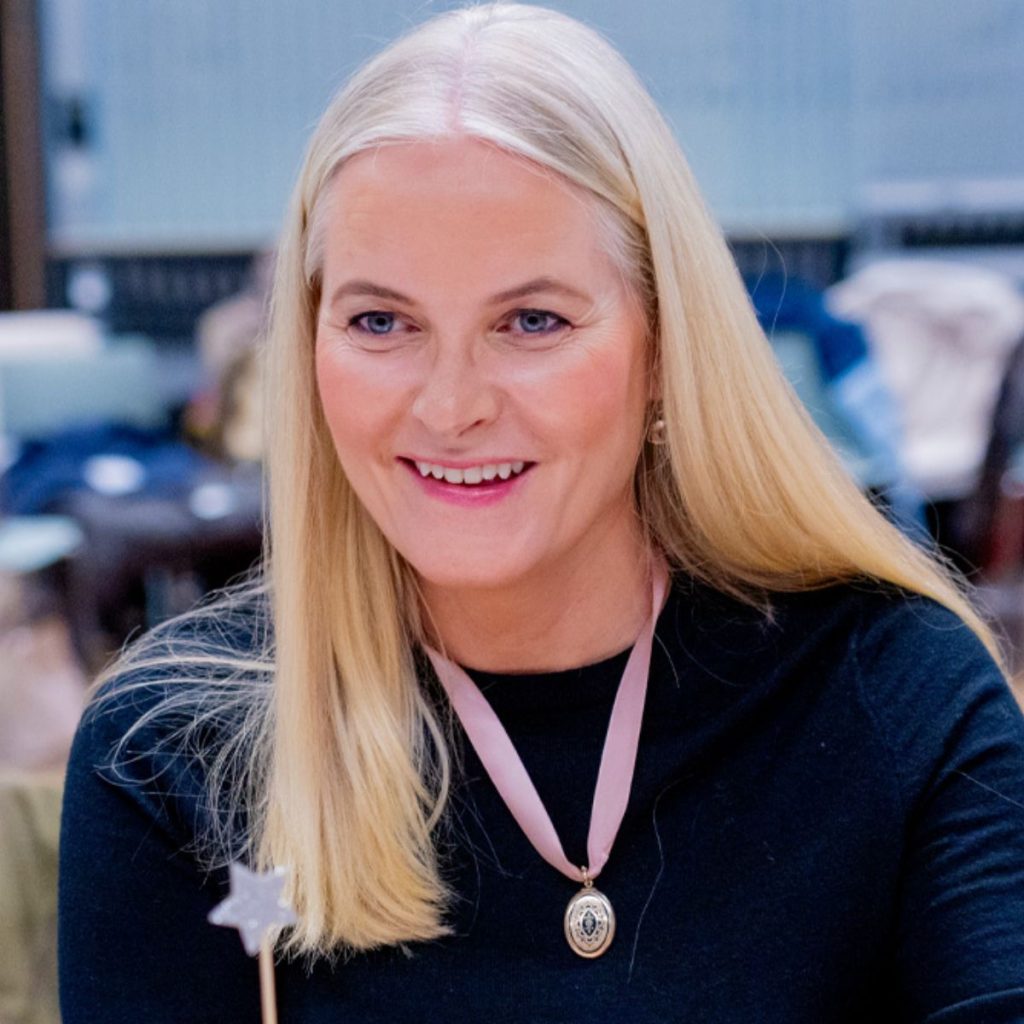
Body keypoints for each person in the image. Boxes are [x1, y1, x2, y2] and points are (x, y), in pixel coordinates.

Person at [58, 4, 1024, 1022]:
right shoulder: (173, 753)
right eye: (381, 321)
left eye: (531, 321)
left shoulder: (896, 696)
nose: (450, 405)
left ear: (664, 347)